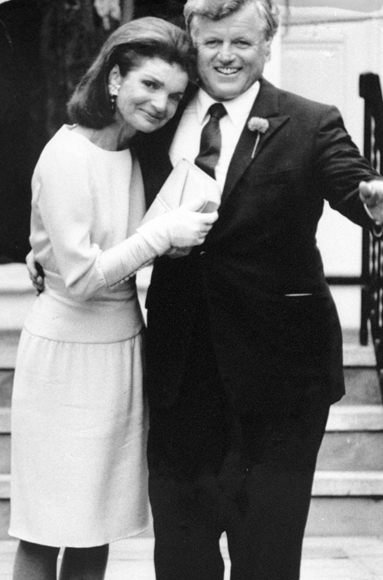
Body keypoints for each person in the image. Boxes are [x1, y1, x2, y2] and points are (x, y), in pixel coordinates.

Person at [28, 2, 383, 579]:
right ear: (192, 42)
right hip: (180, 376)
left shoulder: (312, 121)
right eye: (212, 41)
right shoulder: (158, 114)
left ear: (268, 45)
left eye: (242, 42)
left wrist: (373, 201)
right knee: (182, 555)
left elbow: (354, 180)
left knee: (267, 557)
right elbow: (88, 183)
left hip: (281, 380)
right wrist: (42, 246)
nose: (226, 56)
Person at [10, 16, 217, 580]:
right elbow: (80, 279)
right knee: (47, 524)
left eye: (174, 96)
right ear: (113, 78)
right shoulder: (66, 154)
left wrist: (168, 242)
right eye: (148, 85)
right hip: (65, 359)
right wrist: (159, 236)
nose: (160, 105)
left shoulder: (128, 154)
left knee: (95, 524)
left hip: (121, 352)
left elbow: (121, 253)